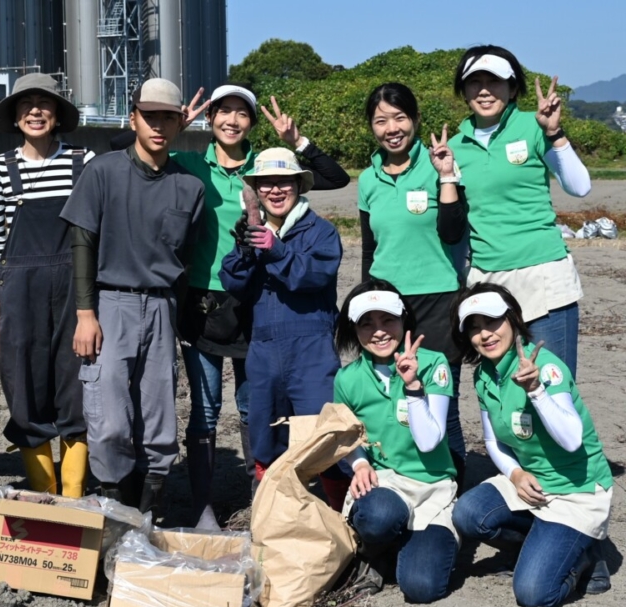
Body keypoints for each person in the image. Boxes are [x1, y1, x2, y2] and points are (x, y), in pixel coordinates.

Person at [168, 85, 349, 529]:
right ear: (209, 119)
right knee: (207, 409)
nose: (231, 120)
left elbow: (335, 178)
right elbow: (130, 154)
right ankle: (203, 507)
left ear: (252, 121)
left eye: (241, 113)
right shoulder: (191, 162)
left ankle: (269, 496)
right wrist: (175, 126)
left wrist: (296, 141)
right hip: (205, 301)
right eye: (222, 112)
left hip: (260, 312)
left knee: (259, 407)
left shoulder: (265, 168)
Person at [60, 78, 205, 516]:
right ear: (133, 118)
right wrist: (86, 314)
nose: (158, 125)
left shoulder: (190, 187)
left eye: (168, 117)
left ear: (180, 122)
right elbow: (82, 242)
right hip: (110, 304)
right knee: (108, 417)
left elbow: (186, 256)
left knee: (159, 416)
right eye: (150, 115)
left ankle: (149, 510)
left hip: (162, 306)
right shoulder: (102, 171)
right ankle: (112, 505)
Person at [451, 283, 613, 607]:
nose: (485, 334)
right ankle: (544, 543)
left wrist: (537, 390)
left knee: (533, 594)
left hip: (575, 490)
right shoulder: (484, 374)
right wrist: (514, 474)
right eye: (475, 328)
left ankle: (584, 558)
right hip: (532, 483)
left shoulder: (546, 368)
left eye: (493, 322)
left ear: (513, 320)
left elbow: (571, 439)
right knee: (468, 514)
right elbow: (492, 440)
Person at [0, 74, 95, 498]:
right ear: (14, 115)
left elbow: (94, 235)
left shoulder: (85, 162)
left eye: (44, 103)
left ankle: (73, 495)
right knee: (25, 388)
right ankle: (45, 494)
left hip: (75, 289)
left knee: (76, 385)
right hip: (19, 293)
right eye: (25, 103)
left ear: (57, 113)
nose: (35, 111)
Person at [449, 46, 591, 376]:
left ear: (513, 88)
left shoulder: (534, 126)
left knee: (552, 385)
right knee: (503, 388)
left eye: (495, 81)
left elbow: (580, 186)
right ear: (464, 90)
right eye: (475, 82)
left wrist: (553, 133)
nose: (484, 90)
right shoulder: (454, 146)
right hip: (487, 279)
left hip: (544, 276)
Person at [218, 147, 345, 505]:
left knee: (323, 436)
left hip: (312, 349)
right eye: (266, 184)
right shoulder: (252, 231)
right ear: (256, 190)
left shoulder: (321, 231)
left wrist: (276, 251)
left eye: (284, 182)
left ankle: (341, 523)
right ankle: (272, 520)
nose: (275, 190)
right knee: (265, 436)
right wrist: (244, 250)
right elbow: (233, 283)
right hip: (263, 349)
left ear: (298, 185)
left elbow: (315, 275)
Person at [358, 82, 470, 486]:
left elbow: (454, 232)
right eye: (381, 120)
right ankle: (405, 479)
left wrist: (445, 176)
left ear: (416, 119)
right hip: (389, 305)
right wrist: (366, 306)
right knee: (396, 398)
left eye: (400, 117)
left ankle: (453, 489)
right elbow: (371, 251)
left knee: (444, 402)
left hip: (439, 300)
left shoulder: (439, 163)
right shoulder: (368, 179)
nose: (392, 128)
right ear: (371, 127)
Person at [334, 282, 458, 603]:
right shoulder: (347, 379)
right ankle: (375, 550)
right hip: (386, 487)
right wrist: (360, 463)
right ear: (354, 329)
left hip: (433, 489)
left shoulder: (434, 364)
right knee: (379, 516)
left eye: (388, 320)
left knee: (421, 588)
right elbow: (345, 438)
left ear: (405, 320)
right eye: (367, 323)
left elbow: (430, 441)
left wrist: (413, 386)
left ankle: (404, 545)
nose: (379, 332)